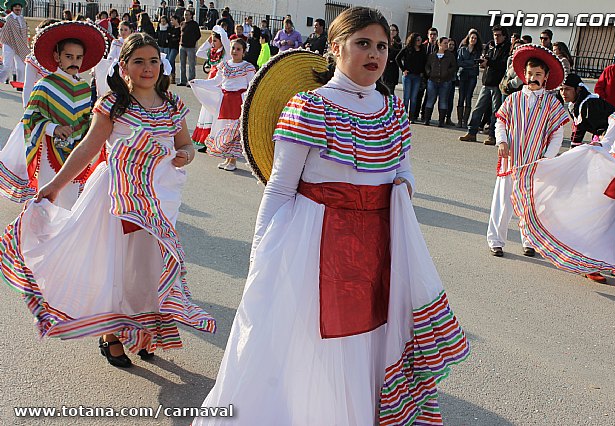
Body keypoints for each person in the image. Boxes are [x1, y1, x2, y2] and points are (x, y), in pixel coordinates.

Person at [192, 7, 469, 425]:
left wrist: (401, 189)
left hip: (378, 244)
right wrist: (261, 258)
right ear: (336, 48)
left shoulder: (393, 110)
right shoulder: (309, 107)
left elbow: (404, 168)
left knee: (369, 342)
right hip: (312, 244)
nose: (374, 54)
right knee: (311, 347)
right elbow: (281, 188)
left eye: (381, 46)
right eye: (362, 44)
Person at [0, 33, 216, 370]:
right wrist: (55, 186)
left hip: (157, 202)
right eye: (139, 61)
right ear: (124, 67)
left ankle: (142, 330)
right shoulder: (112, 104)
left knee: (146, 269)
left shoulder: (173, 105)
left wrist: (185, 155)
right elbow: (86, 149)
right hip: (114, 197)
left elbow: (185, 144)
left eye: (153, 61)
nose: (148, 68)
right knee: (113, 265)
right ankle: (112, 335)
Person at [513, 73, 615, 284]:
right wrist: (591, 149)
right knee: (598, 220)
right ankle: (589, 264)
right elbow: (607, 142)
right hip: (614, 173)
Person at [0, 21, 106, 208]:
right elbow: (30, 118)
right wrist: (53, 128)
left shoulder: (83, 88)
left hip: (76, 153)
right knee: (49, 201)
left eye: (79, 57)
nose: (74, 61)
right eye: (69, 56)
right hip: (50, 152)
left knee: (71, 201)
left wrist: (90, 126)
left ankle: (64, 235)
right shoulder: (46, 85)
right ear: (57, 56)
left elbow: (83, 117)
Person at [488, 45, 569, 258]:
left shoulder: (552, 103)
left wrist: (547, 159)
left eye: (538, 75)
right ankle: (496, 240)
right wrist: (502, 141)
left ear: (546, 77)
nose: (533, 78)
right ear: (524, 75)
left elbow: (557, 134)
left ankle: (529, 240)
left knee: (531, 205)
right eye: (530, 74)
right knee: (503, 201)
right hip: (511, 159)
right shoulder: (513, 99)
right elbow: (501, 123)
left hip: (535, 163)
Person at [190, 38, 256, 171]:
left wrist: (247, 102)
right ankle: (227, 159)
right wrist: (198, 82)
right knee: (224, 129)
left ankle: (232, 161)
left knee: (234, 131)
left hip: (238, 102)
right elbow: (215, 82)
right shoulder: (224, 65)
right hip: (225, 101)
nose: (235, 51)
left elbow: (252, 85)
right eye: (233, 48)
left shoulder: (247, 67)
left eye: (238, 49)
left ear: (244, 52)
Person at [459, 25, 510, 145]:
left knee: (495, 112)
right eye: (494, 35)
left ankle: (492, 135)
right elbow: (488, 60)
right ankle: (472, 132)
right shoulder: (491, 46)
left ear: (504, 36)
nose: (496, 37)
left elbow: (503, 65)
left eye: (498, 35)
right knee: (478, 108)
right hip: (486, 82)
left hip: (497, 84)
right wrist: (484, 62)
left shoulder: (507, 48)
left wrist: (489, 62)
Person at [192, 25, 231, 148]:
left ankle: (213, 140)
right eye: (212, 41)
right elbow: (199, 52)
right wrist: (208, 42)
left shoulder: (225, 55)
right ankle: (206, 140)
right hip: (211, 82)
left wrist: (221, 35)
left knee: (214, 112)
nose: (213, 43)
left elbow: (225, 41)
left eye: (215, 41)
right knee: (207, 110)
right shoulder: (212, 53)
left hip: (218, 85)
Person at [560, 73, 615, 148]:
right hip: (602, 135)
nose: (563, 93)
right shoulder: (574, 104)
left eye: (567, 89)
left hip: (614, 136)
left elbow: (581, 129)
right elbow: (578, 128)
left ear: (578, 89)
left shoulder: (590, 104)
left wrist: (573, 148)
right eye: (561, 89)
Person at [423, 36, 457, 127]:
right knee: (430, 100)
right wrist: (429, 73)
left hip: (445, 81)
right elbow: (427, 66)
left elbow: (454, 67)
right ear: (439, 44)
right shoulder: (432, 55)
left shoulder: (450, 56)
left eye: (447, 43)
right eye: (445, 43)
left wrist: (447, 73)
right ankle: (427, 119)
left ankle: (441, 121)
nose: (447, 45)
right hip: (432, 80)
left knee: (443, 101)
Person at [395, 32, 427, 123]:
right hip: (408, 76)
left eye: (420, 40)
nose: (419, 42)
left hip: (417, 76)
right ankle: (404, 116)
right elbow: (397, 58)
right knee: (406, 97)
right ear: (413, 40)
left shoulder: (422, 50)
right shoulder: (407, 49)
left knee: (414, 98)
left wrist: (422, 72)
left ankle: (412, 116)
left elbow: (424, 61)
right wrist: (403, 69)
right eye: (417, 40)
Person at [456, 30, 482, 128]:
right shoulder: (462, 49)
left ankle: (465, 120)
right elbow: (459, 62)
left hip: (472, 75)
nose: (473, 40)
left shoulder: (478, 51)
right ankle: (459, 120)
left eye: (475, 38)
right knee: (461, 96)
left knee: (468, 97)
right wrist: (470, 63)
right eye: (472, 38)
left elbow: (476, 63)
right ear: (469, 38)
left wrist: (468, 63)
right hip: (463, 75)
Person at [0, 0, 29, 84]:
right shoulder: (8, 18)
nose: (18, 8)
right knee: (7, 67)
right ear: (12, 8)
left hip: (20, 45)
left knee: (21, 67)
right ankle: (1, 80)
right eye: (16, 6)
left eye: (19, 6)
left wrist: (24, 44)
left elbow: (24, 33)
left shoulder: (22, 19)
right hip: (9, 44)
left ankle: (20, 83)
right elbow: (3, 31)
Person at [416, 27, 439, 122]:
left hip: (433, 75)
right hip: (422, 75)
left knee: (430, 97)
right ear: (428, 35)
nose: (432, 36)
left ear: (437, 36)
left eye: (434, 34)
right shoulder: (423, 46)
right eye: (431, 34)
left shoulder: (438, 47)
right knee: (419, 95)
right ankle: (415, 114)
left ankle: (425, 115)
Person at [178, 9, 201, 87]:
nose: (186, 16)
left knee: (191, 64)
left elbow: (198, 35)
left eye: (187, 14)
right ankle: (183, 80)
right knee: (182, 64)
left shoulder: (194, 24)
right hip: (182, 46)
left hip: (190, 47)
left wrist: (193, 41)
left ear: (191, 15)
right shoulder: (182, 23)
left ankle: (191, 81)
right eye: (185, 14)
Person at [382, 23, 401, 93]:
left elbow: (397, 54)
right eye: (390, 30)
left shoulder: (398, 43)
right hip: (385, 68)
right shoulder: (384, 40)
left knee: (390, 91)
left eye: (394, 30)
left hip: (393, 69)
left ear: (397, 32)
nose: (392, 32)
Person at [444, 37, 458, 126]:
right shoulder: (443, 54)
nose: (451, 46)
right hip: (442, 79)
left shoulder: (456, 55)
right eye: (450, 44)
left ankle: (448, 118)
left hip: (452, 80)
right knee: (443, 99)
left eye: (453, 45)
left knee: (450, 100)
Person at [167, 15, 182, 83]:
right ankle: (172, 76)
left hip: (175, 47)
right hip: (170, 46)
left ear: (176, 20)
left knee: (170, 60)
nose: (171, 21)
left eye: (172, 20)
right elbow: (169, 36)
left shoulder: (180, 29)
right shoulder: (171, 28)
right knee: (171, 62)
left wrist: (174, 37)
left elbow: (178, 38)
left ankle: (171, 74)